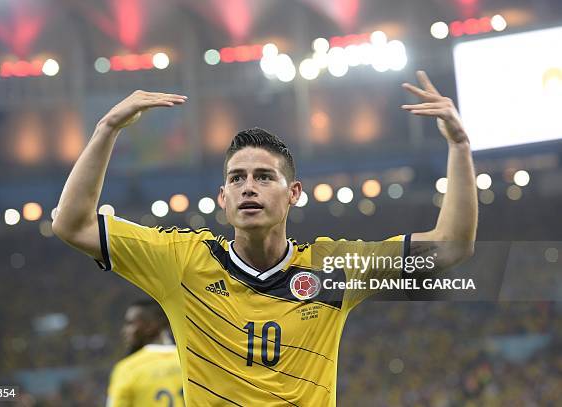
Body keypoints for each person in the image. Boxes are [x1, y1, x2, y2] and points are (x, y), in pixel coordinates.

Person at [52, 70, 477, 405]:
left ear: (293, 193)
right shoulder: (180, 261)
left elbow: (451, 245)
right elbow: (73, 224)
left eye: (263, 177)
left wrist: (459, 147)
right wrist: (107, 128)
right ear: (223, 198)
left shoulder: (333, 269)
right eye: (236, 178)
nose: (248, 187)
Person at [107, 299, 183, 407]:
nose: (124, 331)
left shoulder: (127, 369)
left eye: (130, 324)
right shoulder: (191, 361)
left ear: (150, 326)